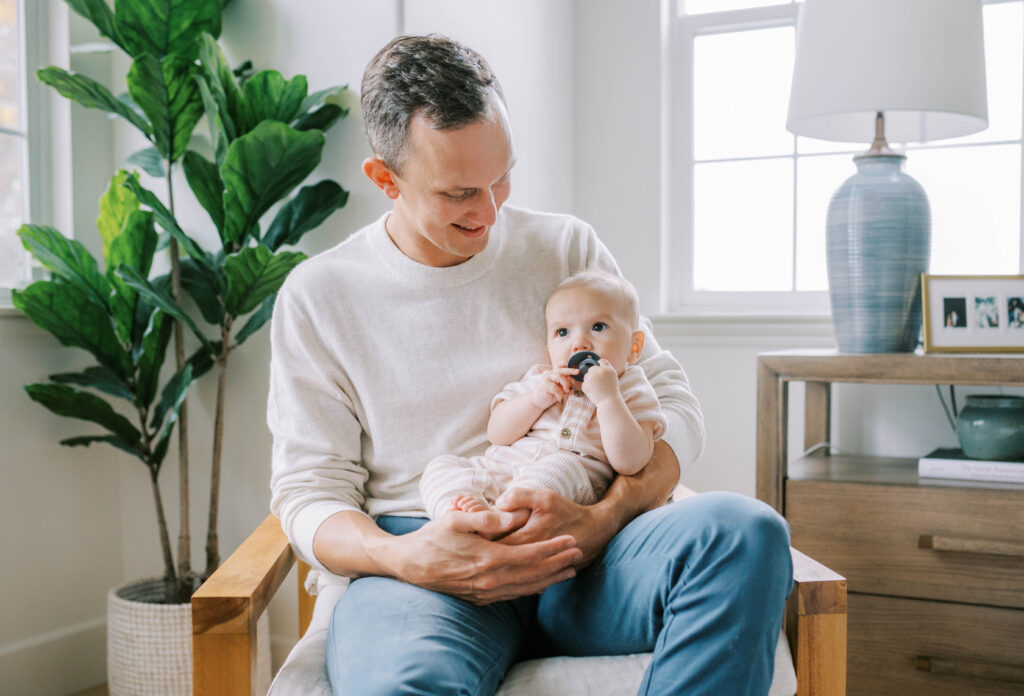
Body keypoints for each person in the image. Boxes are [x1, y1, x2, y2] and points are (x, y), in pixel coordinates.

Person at [268, 33, 793, 695]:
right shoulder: (321, 296)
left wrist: (604, 520)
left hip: (586, 549)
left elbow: (673, 407)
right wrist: (406, 557)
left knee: (745, 533)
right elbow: (309, 492)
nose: (490, 211)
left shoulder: (565, 246)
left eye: (503, 176)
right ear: (385, 179)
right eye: (460, 192)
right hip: (428, 560)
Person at [420, 271, 668, 520]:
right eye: (563, 332)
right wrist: (535, 401)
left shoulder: (632, 388)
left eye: (598, 327)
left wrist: (608, 400)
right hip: (502, 469)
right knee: (441, 466)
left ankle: (505, 520)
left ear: (634, 347)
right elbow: (497, 434)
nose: (579, 343)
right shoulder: (540, 379)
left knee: (560, 465)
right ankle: (454, 517)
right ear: (550, 349)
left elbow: (631, 462)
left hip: (566, 483)